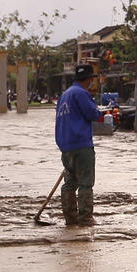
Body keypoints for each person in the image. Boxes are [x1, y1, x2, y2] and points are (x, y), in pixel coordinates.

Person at [54, 64, 105, 226]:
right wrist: (102, 113)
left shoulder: (65, 95)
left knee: (69, 184)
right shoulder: (81, 93)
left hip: (66, 147)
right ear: (89, 79)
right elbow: (92, 114)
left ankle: (70, 219)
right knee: (85, 183)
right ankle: (85, 219)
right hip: (82, 145)